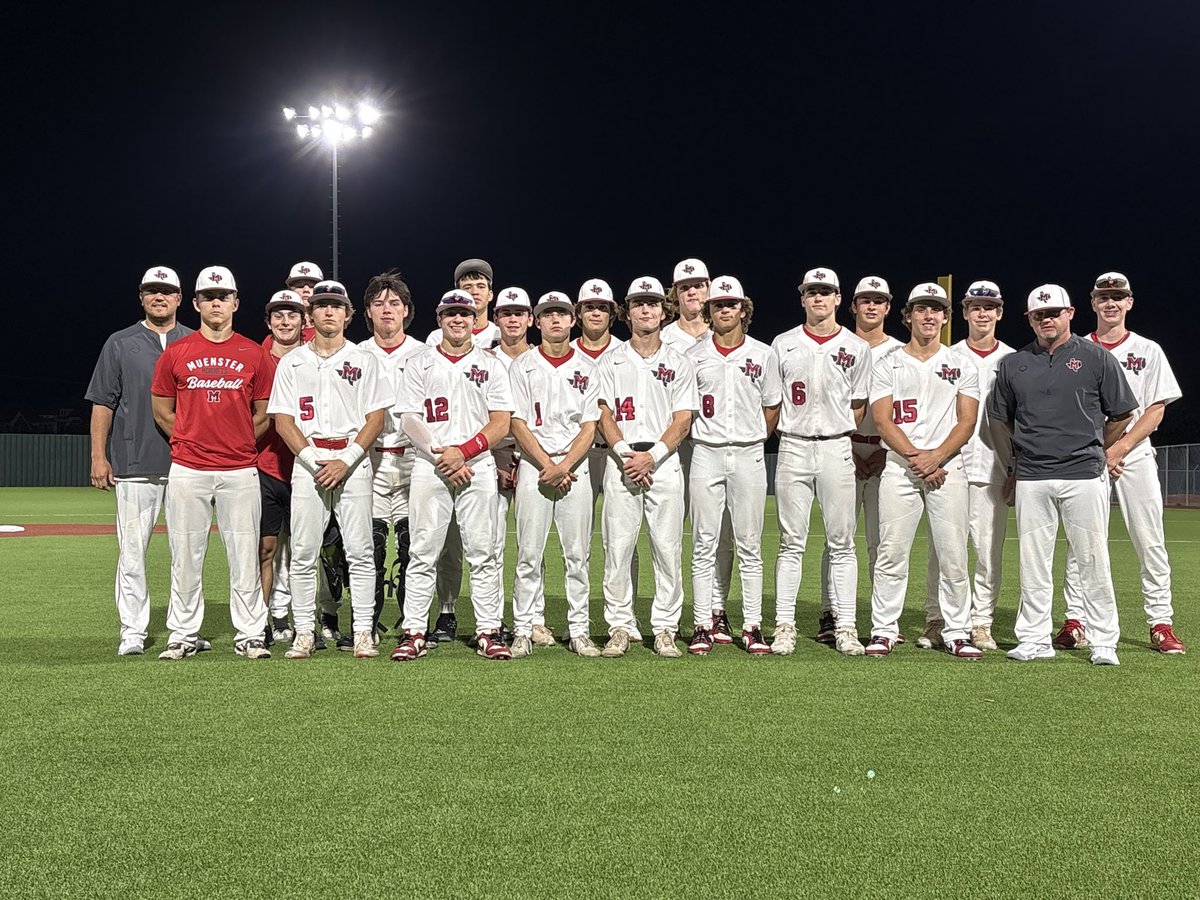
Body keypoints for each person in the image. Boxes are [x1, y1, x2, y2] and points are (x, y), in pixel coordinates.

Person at [989, 284, 1137, 666]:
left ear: (1070, 313)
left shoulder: (1096, 358)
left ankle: (1104, 640)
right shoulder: (1013, 363)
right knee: (1033, 560)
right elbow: (1002, 418)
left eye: (1054, 312)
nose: (1047, 319)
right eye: (1039, 314)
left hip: (1084, 473)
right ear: (1029, 319)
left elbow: (1121, 413)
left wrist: (1095, 447)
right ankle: (1035, 638)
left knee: (1092, 558)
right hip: (1034, 474)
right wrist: (1024, 452)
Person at [1056, 272, 1185, 655]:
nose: (1110, 303)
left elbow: (1155, 410)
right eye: (1103, 297)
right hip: (1086, 456)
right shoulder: (1073, 349)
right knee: (1081, 543)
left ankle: (1160, 622)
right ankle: (1075, 620)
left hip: (1135, 455)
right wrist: (1098, 451)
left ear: (1129, 302)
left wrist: (1119, 449)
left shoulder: (1147, 349)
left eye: (1118, 297)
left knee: (1149, 540)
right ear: (1092, 303)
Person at [150, 266, 274, 660]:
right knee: (185, 553)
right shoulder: (176, 353)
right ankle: (183, 634)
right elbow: (161, 410)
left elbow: (266, 414)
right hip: (188, 467)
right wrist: (192, 439)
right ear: (197, 303)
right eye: (208, 296)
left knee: (244, 553)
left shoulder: (254, 353)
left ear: (236, 302)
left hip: (240, 468)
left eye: (223, 297)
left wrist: (235, 442)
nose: (216, 303)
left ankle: (251, 633)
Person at [268, 280, 390, 659]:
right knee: (303, 552)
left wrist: (347, 459)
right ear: (311, 314)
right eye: (321, 305)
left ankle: (363, 631)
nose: (328, 311)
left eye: (336, 306)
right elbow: (283, 421)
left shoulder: (365, 359)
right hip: (310, 462)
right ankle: (304, 631)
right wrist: (311, 460)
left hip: (351, 461)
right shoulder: (292, 362)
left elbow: (377, 418)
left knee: (360, 552)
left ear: (349, 314)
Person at [391, 289, 515, 661]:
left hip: (476, 465)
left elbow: (501, 421)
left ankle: (488, 629)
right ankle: (414, 629)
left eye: (465, 314)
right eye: (451, 314)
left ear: (476, 319)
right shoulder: (419, 362)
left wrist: (464, 451)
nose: (458, 320)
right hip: (432, 466)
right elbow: (409, 417)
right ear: (439, 317)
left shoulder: (492, 364)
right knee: (423, 551)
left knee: (483, 552)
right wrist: (439, 453)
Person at [864, 283, 981, 659]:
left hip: (948, 467)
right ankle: (883, 629)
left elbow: (967, 423)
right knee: (891, 552)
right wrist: (918, 457)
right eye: (921, 309)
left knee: (952, 555)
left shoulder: (962, 363)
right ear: (909, 315)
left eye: (936, 309)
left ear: (946, 317)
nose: (929, 315)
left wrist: (936, 458)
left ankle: (957, 630)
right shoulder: (887, 363)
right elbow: (882, 421)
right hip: (901, 467)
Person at [87, 266, 197, 656]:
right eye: (152, 291)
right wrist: (99, 456)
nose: (159, 297)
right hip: (134, 463)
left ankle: (184, 629)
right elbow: (104, 403)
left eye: (166, 291)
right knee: (132, 551)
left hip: (188, 464)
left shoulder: (196, 341)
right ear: (141, 297)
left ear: (180, 298)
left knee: (187, 553)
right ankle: (132, 630)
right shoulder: (120, 343)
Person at [595, 276, 697, 658]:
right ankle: (620, 625)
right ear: (628, 310)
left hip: (663, 463)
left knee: (667, 549)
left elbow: (683, 419)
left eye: (653, 303)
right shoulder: (610, 359)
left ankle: (665, 627)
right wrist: (625, 454)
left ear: (663, 309)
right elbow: (603, 413)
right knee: (618, 548)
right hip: (621, 461)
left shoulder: (679, 361)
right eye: (639, 303)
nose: (646, 309)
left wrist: (651, 455)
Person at [770, 268, 871, 655]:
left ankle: (845, 625)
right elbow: (773, 402)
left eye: (825, 292)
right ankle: (784, 624)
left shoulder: (856, 347)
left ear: (837, 299)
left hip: (835, 446)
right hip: (794, 445)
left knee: (842, 542)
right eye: (812, 292)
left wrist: (835, 430)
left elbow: (858, 405)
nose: (818, 299)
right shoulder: (783, 343)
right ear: (802, 299)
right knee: (790, 542)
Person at [684, 276, 781, 655]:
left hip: (748, 452)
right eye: (718, 304)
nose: (725, 310)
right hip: (706, 451)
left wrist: (756, 436)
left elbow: (772, 406)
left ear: (744, 308)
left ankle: (752, 624)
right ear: (708, 311)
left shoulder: (763, 353)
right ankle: (703, 623)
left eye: (732, 304)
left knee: (750, 543)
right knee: (704, 542)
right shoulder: (693, 355)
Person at [508, 291, 603, 658]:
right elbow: (516, 421)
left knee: (577, 555)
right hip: (535, 466)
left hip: (574, 468)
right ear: (538, 320)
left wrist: (563, 466)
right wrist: (547, 464)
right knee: (529, 555)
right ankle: (523, 628)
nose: (556, 320)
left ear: (572, 319)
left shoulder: (587, 368)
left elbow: (590, 425)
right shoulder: (523, 365)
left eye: (562, 313)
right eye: (548, 314)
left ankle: (578, 629)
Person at [923, 280, 1014, 652]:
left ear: (999, 312)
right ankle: (936, 618)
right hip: (950, 464)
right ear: (963, 313)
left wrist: (1016, 467)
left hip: (994, 465)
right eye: (975, 307)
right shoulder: (946, 356)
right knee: (942, 549)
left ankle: (981, 621)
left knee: (988, 551)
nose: (982, 313)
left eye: (989, 307)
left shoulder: (1014, 360)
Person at [818, 276, 904, 645]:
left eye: (878, 300)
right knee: (838, 539)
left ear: (888, 307)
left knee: (882, 543)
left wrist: (889, 451)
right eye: (864, 300)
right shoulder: (839, 346)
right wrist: (847, 447)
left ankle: (881, 621)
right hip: (842, 450)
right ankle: (829, 613)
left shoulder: (900, 351)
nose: (871, 306)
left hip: (888, 455)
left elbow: (903, 414)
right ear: (852, 306)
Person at [661, 258, 735, 642]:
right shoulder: (662, 336)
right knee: (670, 534)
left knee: (720, 534)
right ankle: (672, 616)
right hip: (675, 450)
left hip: (712, 446)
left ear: (710, 289)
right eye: (684, 285)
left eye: (699, 284)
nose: (692, 291)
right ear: (674, 294)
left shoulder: (726, 331)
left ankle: (715, 610)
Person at [426, 259, 500, 643]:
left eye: (479, 284)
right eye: (465, 283)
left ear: (489, 292)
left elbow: (507, 413)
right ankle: (448, 612)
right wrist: (450, 456)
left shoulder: (503, 336)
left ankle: (494, 621)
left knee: (490, 545)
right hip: (442, 459)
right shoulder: (431, 345)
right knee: (446, 546)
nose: (473, 289)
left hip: (493, 456)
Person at [358, 271, 425, 640]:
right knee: (372, 544)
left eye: (394, 303)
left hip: (414, 459)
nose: (387, 309)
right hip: (371, 458)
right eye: (379, 303)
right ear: (367, 311)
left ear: (406, 311)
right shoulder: (355, 355)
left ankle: (412, 621)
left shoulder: (423, 353)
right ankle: (366, 619)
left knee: (413, 545)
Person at [257, 290, 307, 645]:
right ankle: (260, 619)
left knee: (302, 550)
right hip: (265, 464)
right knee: (266, 548)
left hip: (307, 466)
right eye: (278, 315)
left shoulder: (314, 358)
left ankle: (293, 617)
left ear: (303, 321)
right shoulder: (253, 358)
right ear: (269, 320)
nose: (285, 321)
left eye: (292, 315)